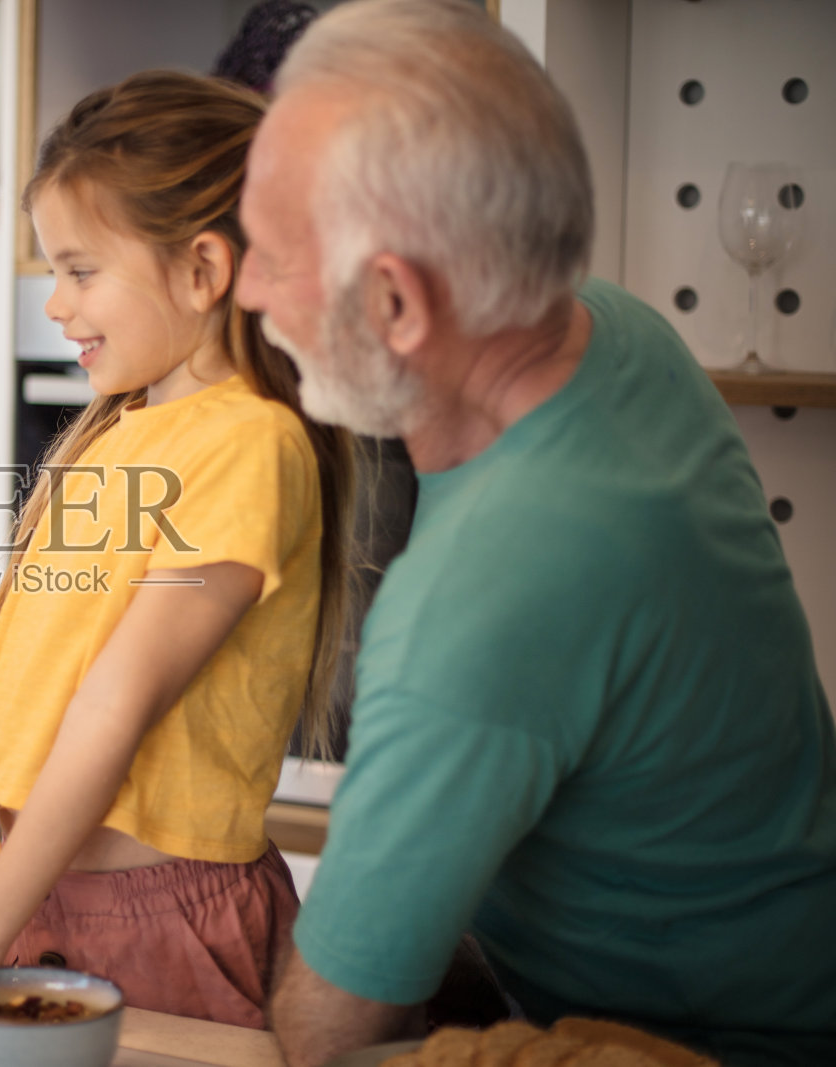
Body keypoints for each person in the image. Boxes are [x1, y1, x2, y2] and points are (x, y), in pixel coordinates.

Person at [234, 1, 836, 1064]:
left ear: (397, 307)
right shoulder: (622, 331)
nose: (245, 291)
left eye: (270, 257)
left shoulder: (475, 596)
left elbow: (328, 1026)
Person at [0, 71, 356, 1053]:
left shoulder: (247, 445)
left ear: (202, 270)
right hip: (43, 898)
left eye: (80, 268)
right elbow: (16, 661)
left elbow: (112, 706)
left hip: (160, 919)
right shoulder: (118, 436)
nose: (54, 302)